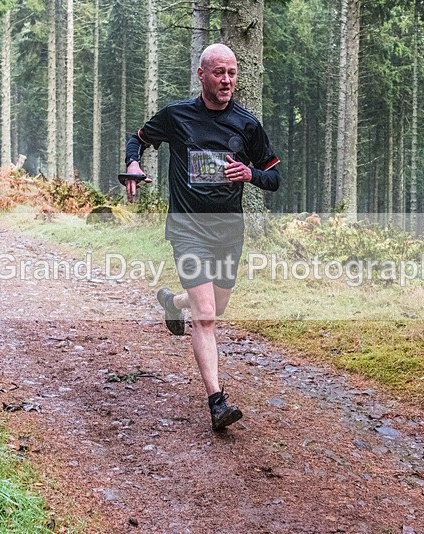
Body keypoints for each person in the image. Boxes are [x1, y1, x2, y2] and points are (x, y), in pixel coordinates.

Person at [124, 43, 281, 431]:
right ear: (201, 75)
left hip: (229, 231)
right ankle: (217, 402)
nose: (226, 80)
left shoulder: (247, 125)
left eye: (231, 73)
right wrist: (133, 164)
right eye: (218, 73)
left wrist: (251, 174)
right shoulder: (177, 116)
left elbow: (274, 177)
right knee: (207, 317)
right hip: (187, 228)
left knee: (214, 308)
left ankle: (174, 303)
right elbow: (138, 137)